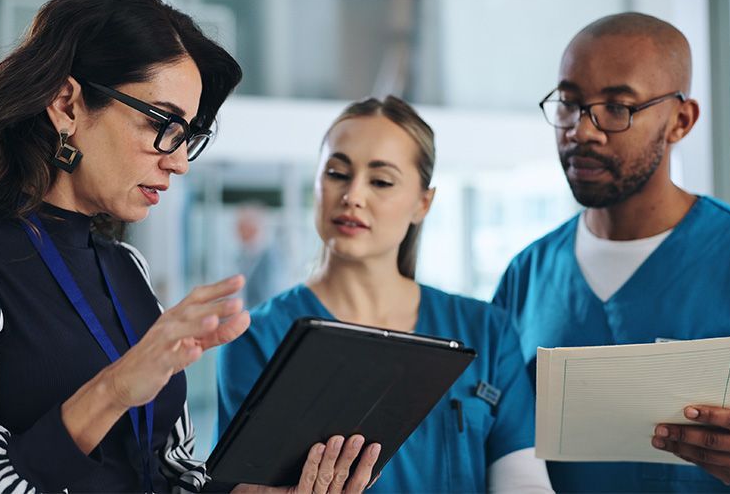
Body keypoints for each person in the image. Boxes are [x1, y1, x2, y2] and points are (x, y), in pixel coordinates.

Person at [0, 0, 377, 492]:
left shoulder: (128, 267)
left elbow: (170, 469)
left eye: (188, 134)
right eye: (160, 123)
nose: (179, 161)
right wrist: (113, 389)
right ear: (67, 104)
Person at [216, 96, 554, 493]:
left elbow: (522, 480)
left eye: (380, 181)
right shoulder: (257, 337)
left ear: (422, 204)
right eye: (337, 173)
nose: (353, 196)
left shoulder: (486, 331)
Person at [493, 12, 730, 492]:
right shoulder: (526, 276)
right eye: (569, 103)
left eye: (617, 107)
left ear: (681, 121)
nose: (581, 131)